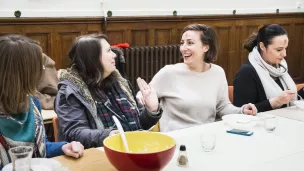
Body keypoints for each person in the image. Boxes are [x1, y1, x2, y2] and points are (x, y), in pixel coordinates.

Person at [138, 24, 257, 132]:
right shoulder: (169, 72)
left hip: (206, 136)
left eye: (190, 43)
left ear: (205, 47)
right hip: (176, 140)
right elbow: (142, 96)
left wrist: (241, 110)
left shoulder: (217, 72)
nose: (183, 48)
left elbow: (222, 107)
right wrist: (146, 101)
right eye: (182, 43)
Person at [54, 34, 162, 148]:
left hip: (129, 151)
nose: (114, 55)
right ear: (93, 57)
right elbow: (74, 133)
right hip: (95, 157)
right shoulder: (70, 90)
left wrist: (151, 109)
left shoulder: (119, 82)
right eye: (109, 51)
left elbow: (139, 125)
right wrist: (109, 135)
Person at [0, 35, 84, 169]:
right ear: (21, 74)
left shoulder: (32, 103)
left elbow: (41, 146)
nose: (42, 72)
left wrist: (63, 147)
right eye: (39, 68)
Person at [233, 24, 303, 112]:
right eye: (278, 50)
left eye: (285, 49)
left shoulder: (280, 67)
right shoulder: (246, 72)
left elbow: (291, 100)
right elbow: (241, 112)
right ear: (262, 46)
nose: (284, 54)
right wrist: (276, 102)